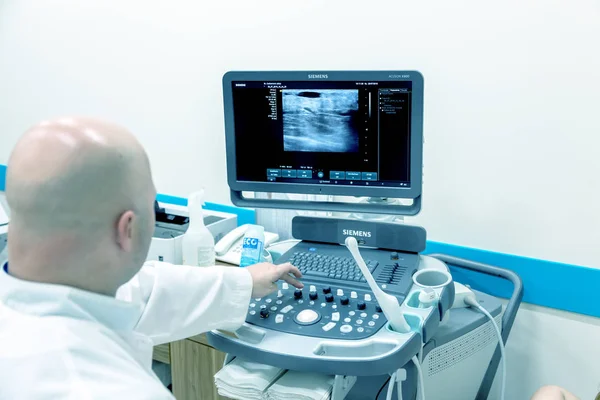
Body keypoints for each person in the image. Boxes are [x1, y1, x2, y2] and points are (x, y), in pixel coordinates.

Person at [0, 117, 303, 399]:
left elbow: (142, 292)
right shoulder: (109, 389)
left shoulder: (33, 302)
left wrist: (244, 280)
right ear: (127, 229)